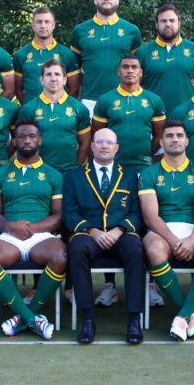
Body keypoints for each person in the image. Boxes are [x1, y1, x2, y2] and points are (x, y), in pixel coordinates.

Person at [0, 119, 67, 340]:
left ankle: (24, 316)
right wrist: (11, 226)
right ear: (14, 140)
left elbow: (58, 216)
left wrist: (32, 228)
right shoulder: (0, 174)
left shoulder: (53, 174)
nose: (27, 140)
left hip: (42, 235)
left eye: (31, 136)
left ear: (39, 140)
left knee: (62, 255)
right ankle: (31, 318)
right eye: (21, 136)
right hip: (9, 235)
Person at [138, 120, 194, 341]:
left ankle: (183, 316)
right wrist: (174, 240)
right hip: (162, 232)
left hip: (193, 231)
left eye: (179, 135)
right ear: (161, 141)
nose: (174, 139)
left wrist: (192, 240)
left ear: (187, 140)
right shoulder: (149, 173)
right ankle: (190, 314)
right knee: (154, 248)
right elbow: (150, 215)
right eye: (169, 136)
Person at [63, 128, 145, 344]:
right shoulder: (74, 176)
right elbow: (69, 213)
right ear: (91, 146)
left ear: (116, 148)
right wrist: (92, 230)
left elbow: (137, 212)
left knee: (136, 249)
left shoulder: (130, 176)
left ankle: (134, 320)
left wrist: (119, 230)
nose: (104, 146)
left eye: (109, 142)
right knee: (77, 249)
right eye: (99, 141)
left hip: (121, 233)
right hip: (89, 234)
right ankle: (87, 319)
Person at [70, 0, 142, 115]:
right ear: (95, 0)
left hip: (124, 98)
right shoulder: (80, 30)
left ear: (117, 0)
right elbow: (74, 67)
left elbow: (137, 67)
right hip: (90, 100)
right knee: (91, 137)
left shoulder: (131, 30)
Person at [92, 55, 166, 174]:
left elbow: (158, 137)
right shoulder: (105, 99)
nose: (130, 70)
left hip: (143, 166)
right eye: (125, 67)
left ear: (141, 72)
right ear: (118, 71)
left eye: (134, 67)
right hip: (113, 166)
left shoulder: (154, 100)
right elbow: (97, 135)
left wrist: (146, 154)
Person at [17, 59, 91, 175]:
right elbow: (22, 144)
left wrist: (75, 167)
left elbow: (85, 143)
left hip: (69, 171)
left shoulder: (79, 108)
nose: (53, 78)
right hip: (38, 172)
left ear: (65, 79)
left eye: (57, 74)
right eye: (48, 74)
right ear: (42, 80)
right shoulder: (28, 109)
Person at [136, 4, 194, 113]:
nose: (168, 24)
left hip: (190, 117)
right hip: (155, 118)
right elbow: (134, 87)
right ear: (156, 24)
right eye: (163, 21)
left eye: (172, 21)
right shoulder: (143, 52)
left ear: (179, 23)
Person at [13, 6, 80, 104]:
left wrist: (61, 108)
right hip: (31, 115)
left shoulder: (67, 54)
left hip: (59, 114)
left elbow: (74, 89)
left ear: (53, 25)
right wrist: (30, 108)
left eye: (47, 22)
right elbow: (18, 90)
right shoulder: (21, 55)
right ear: (33, 25)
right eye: (39, 22)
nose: (43, 25)